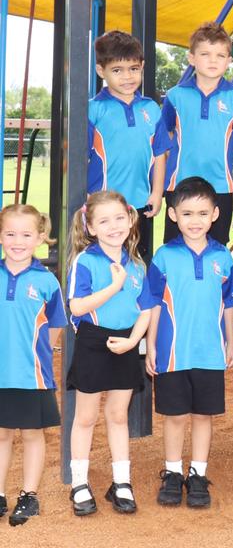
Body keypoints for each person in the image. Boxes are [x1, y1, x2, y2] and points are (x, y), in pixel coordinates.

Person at [143, 177, 233, 509]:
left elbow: (229, 304)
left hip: (210, 353)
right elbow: (153, 302)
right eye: (186, 213)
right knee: (175, 416)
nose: (194, 221)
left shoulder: (224, 257)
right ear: (173, 216)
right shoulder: (164, 256)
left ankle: (197, 473)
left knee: (202, 416)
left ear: (214, 214)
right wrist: (151, 345)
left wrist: (231, 343)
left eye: (201, 213)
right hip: (172, 353)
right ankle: (172, 473)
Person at [65, 190, 150, 516]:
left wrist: (133, 341)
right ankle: (79, 483)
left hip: (126, 343)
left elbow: (146, 309)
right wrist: (114, 287)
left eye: (119, 218)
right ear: (90, 226)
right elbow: (77, 306)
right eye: (104, 220)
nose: (113, 226)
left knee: (118, 415)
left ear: (130, 219)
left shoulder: (138, 265)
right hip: (92, 341)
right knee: (85, 416)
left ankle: (121, 481)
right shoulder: (86, 261)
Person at [0, 205, 65, 526]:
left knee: (31, 435)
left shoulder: (46, 281)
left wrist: (40, 353)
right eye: (10, 233)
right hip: (1, 375)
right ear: (0, 236)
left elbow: (55, 326)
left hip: (32, 376)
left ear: (41, 238)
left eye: (26, 234)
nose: (17, 241)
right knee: (1, 435)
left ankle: (29, 495)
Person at [159, 22, 233, 245]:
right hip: (179, 184)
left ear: (229, 61)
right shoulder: (175, 95)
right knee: (176, 248)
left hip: (220, 186)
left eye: (220, 55)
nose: (213, 60)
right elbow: (165, 135)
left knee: (216, 248)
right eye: (205, 54)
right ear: (192, 58)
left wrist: (221, 148)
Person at [87, 30, 170, 222]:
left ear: (142, 66)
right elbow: (78, 159)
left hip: (141, 205)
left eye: (133, 69)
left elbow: (160, 155)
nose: (127, 76)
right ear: (101, 71)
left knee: (137, 253)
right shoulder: (93, 109)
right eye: (117, 70)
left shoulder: (151, 108)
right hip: (102, 206)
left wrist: (157, 193)